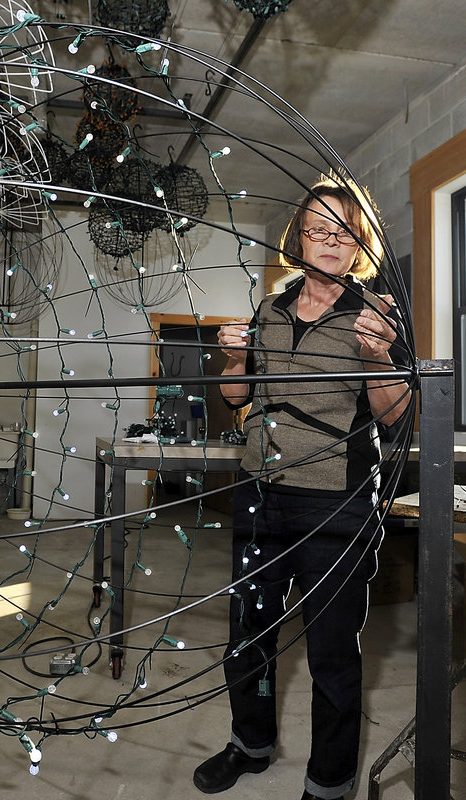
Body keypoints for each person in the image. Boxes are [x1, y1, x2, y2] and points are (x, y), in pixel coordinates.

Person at [192, 177, 411, 800]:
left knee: (332, 651)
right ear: (299, 240)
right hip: (260, 493)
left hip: (335, 502)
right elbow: (238, 399)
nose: (330, 241)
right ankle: (251, 744)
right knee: (250, 635)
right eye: (317, 229)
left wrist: (376, 358)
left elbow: (396, 417)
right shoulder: (271, 308)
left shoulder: (374, 315)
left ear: (358, 244)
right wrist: (233, 361)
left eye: (343, 231)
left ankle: (329, 781)